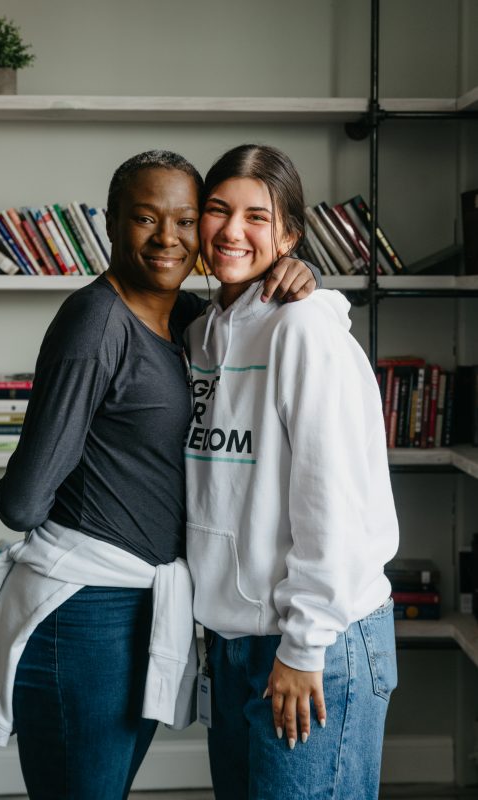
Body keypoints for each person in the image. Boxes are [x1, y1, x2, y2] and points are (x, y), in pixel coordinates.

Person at [0, 150, 320, 800]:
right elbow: (22, 500)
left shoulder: (186, 320)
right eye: (146, 219)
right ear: (111, 221)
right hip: (85, 613)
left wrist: (296, 271)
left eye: (185, 220)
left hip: (142, 609)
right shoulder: (96, 321)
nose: (168, 238)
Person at [184, 144, 399, 800]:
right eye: (217, 210)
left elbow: (329, 500)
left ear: (289, 236)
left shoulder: (303, 330)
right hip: (233, 644)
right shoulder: (199, 336)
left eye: (257, 216)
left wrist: (303, 645)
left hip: (316, 642)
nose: (232, 230)